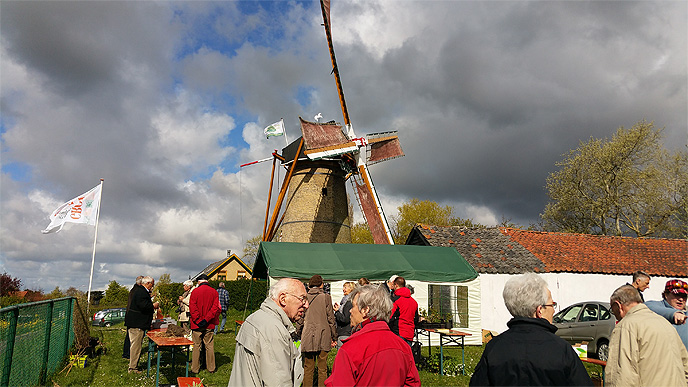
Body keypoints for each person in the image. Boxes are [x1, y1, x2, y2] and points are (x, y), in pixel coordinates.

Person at [470, 273, 592, 386]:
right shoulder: (561, 349)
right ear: (539, 310)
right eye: (552, 304)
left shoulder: (494, 347)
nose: (554, 310)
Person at [324, 284, 420, 386]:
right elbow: (413, 383)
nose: (350, 311)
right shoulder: (403, 347)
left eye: (353, 306)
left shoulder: (350, 349)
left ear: (365, 310)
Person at [228, 278, 308, 387]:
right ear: (283, 299)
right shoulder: (273, 329)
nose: (306, 305)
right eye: (302, 299)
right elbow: (279, 383)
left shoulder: (254, 318)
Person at [606, 284, 688, 386]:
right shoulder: (664, 323)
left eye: (613, 311)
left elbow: (621, 375)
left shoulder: (626, 326)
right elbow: (685, 364)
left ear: (618, 306)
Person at [296, 275, 337, 387]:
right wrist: (334, 336)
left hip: (308, 335)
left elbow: (300, 317)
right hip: (324, 335)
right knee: (322, 369)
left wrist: (298, 332)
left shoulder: (304, 298)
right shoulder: (326, 297)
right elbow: (331, 318)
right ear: (321, 284)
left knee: (308, 368)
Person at [124, 276, 158, 373]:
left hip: (135, 322)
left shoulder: (138, 290)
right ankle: (133, 368)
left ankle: (133, 365)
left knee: (134, 346)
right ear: (148, 283)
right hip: (137, 324)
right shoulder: (141, 292)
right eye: (152, 284)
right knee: (136, 346)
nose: (152, 286)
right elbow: (143, 306)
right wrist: (153, 306)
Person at [189, 274, 221, 374]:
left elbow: (192, 307)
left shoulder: (195, 292)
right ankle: (211, 368)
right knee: (209, 346)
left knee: (196, 346)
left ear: (199, 282)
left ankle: (195, 368)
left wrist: (198, 320)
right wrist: (206, 319)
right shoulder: (214, 292)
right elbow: (215, 308)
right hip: (209, 324)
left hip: (196, 324)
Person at [646, 279, 688, 350]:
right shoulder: (655, 306)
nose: (681, 299)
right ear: (666, 295)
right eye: (677, 295)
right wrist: (673, 314)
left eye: (684, 296)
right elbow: (648, 306)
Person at [388, 276, 419, 345]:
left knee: (397, 355)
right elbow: (416, 319)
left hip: (398, 332)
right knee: (407, 354)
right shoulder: (414, 302)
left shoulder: (396, 300)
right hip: (410, 333)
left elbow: (390, 317)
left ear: (396, 285)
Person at [123, 275, 143, 359]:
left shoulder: (133, 290)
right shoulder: (137, 291)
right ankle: (127, 353)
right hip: (133, 317)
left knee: (129, 337)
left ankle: (126, 353)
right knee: (130, 337)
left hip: (130, 316)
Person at [333, 282, 355, 348]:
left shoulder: (349, 302)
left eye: (345, 287)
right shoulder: (346, 302)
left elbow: (345, 319)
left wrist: (337, 312)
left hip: (345, 333)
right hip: (345, 332)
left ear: (350, 289)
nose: (343, 289)